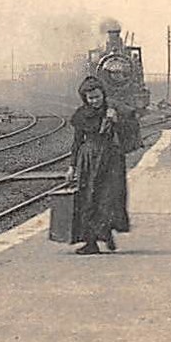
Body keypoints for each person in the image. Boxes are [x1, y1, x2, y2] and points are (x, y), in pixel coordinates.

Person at [50, 75, 133, 255]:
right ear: (85, 99)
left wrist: (117, 120)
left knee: (110, 199)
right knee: (88, 200)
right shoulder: (81, 115)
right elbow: (77, 142)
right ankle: (92, 242)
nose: (95, 101)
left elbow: (130, 134)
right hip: (89, 160)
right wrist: (72, 166)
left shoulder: (114, 110)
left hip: (111, 160)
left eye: (97, 96)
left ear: (103, 94)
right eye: (91, 98)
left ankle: (106, 232)